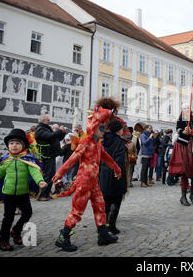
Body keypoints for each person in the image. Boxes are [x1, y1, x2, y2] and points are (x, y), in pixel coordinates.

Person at [51, 99, 122, 252]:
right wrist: (60, 172)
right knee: (77, 211)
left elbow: (107, 157)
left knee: (100, 206)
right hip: (84, 182)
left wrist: (117, 169)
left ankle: (103, 234)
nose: (103, 129)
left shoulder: (97, 144)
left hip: (94, 183)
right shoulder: (86, 143)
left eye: (104, 127)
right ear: (94, 127)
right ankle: (63, 237)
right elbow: (73, 158)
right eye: (101, 127)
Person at [0, 129, 47, 251]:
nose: (14, 146)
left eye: (18, 143)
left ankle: (16, 231)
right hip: (8, 194)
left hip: (23, 193)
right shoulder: (5, 160)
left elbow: (34, 171)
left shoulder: (28, 159)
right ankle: (3, 241)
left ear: (23, 146)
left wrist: (40, 181)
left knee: (27, 213)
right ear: (8, 146)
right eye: (12, 143)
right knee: (8, 218)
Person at [99, 119, 127, 235]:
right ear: (117, 130)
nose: (123, 131)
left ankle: (103, 225)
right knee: (116, 200)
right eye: (121, 129)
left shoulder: (103, 140)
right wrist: (118, 170)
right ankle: (112, 225)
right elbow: (119, 158)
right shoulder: (119, 142)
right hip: (116, 172)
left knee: (106, 201)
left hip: (105, 173)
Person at [169, 104, 193, 206]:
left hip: (192, 147)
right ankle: (183, 196)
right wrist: (184, 131)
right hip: (183, 147)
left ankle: (192, 194)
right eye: (184, 109)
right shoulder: (180, 120)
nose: (186, 110)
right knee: (185, 172)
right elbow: (179, 131)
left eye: (188, 109)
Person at [35, 115, 66, 201]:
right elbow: (50, 136)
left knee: (51, 175)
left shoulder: (46, 128)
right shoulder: (40, 129)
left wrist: (62, 133)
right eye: (47, 120)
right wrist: (59, 130)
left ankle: (47, 193)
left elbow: (56, 137)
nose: (49, 121)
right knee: (47, 175)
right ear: (42, 120)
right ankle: (42, 195)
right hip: (47, 155)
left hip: (51, 154)